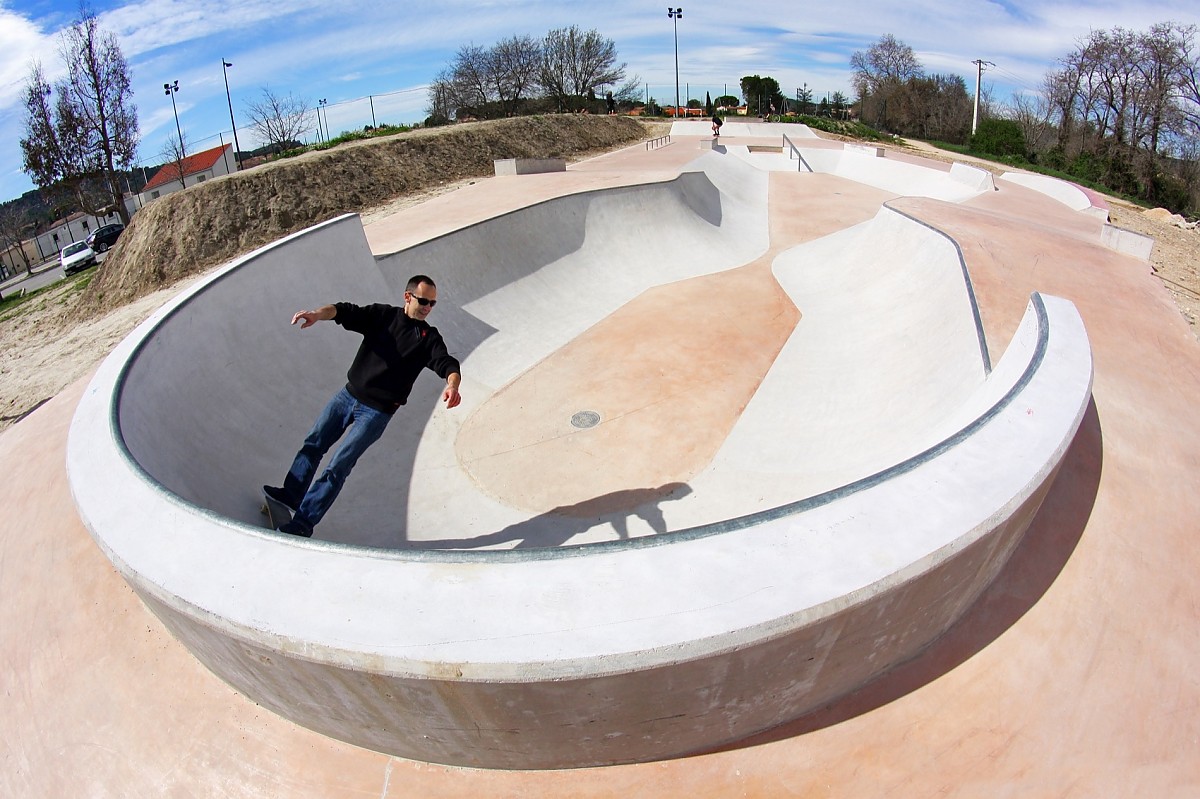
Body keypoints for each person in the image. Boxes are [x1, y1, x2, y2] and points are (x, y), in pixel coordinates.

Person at [264, 274, 462, 537]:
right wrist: (316, 314)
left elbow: (447, 363)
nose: (427, 307)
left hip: (376, 413)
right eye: (423, 301)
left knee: (338, 466)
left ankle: (302, 523)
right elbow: (343, 311)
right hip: (347, 395)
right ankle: (291, 495)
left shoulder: (428, 338)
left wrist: (453, 385)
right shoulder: (383, 316)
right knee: (314, 443)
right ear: (408, 297)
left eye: (432, 304)